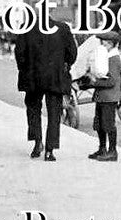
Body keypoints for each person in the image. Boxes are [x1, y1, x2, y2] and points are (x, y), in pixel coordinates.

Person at [14, 13, 77, 162]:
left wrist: (25, 69)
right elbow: (72, 54)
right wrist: (64, 66)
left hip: (33, 78)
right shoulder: (63, 28)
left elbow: (19, 53)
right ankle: (50, 150)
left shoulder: (26, 28)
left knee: (33, 110)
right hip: (55, 78)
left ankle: (37, 143)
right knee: (54, 114)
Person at [88, 32, 121, 162]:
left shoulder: (113, 59)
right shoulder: (106, 57)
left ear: (111, 44)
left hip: (109, 97)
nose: (103, 44)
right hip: (102, 96)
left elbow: (111, 81)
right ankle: (102, 148)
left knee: (108, 124)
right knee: (99, 124)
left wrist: (94, 82)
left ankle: (112, 151)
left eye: (105, 42)